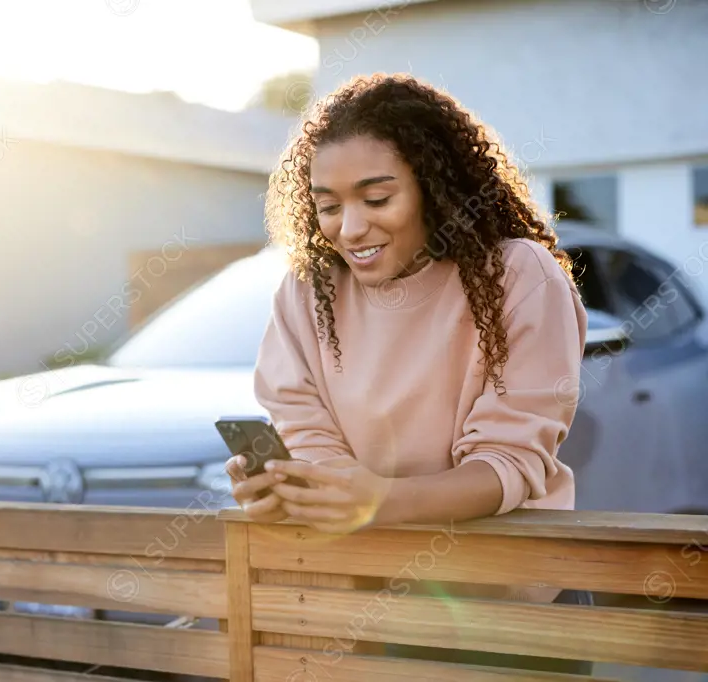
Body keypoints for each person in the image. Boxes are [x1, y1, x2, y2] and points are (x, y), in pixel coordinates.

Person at [225, 73, 593, 675]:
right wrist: (293, 490)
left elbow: (507, 466)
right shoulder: (307, 292)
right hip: (372, 607)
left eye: (376, 199)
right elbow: (312, 442)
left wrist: (378, 502)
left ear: (435, 186)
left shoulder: (517, 276)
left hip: (509, 613)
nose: (350, 228)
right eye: (327, 206)